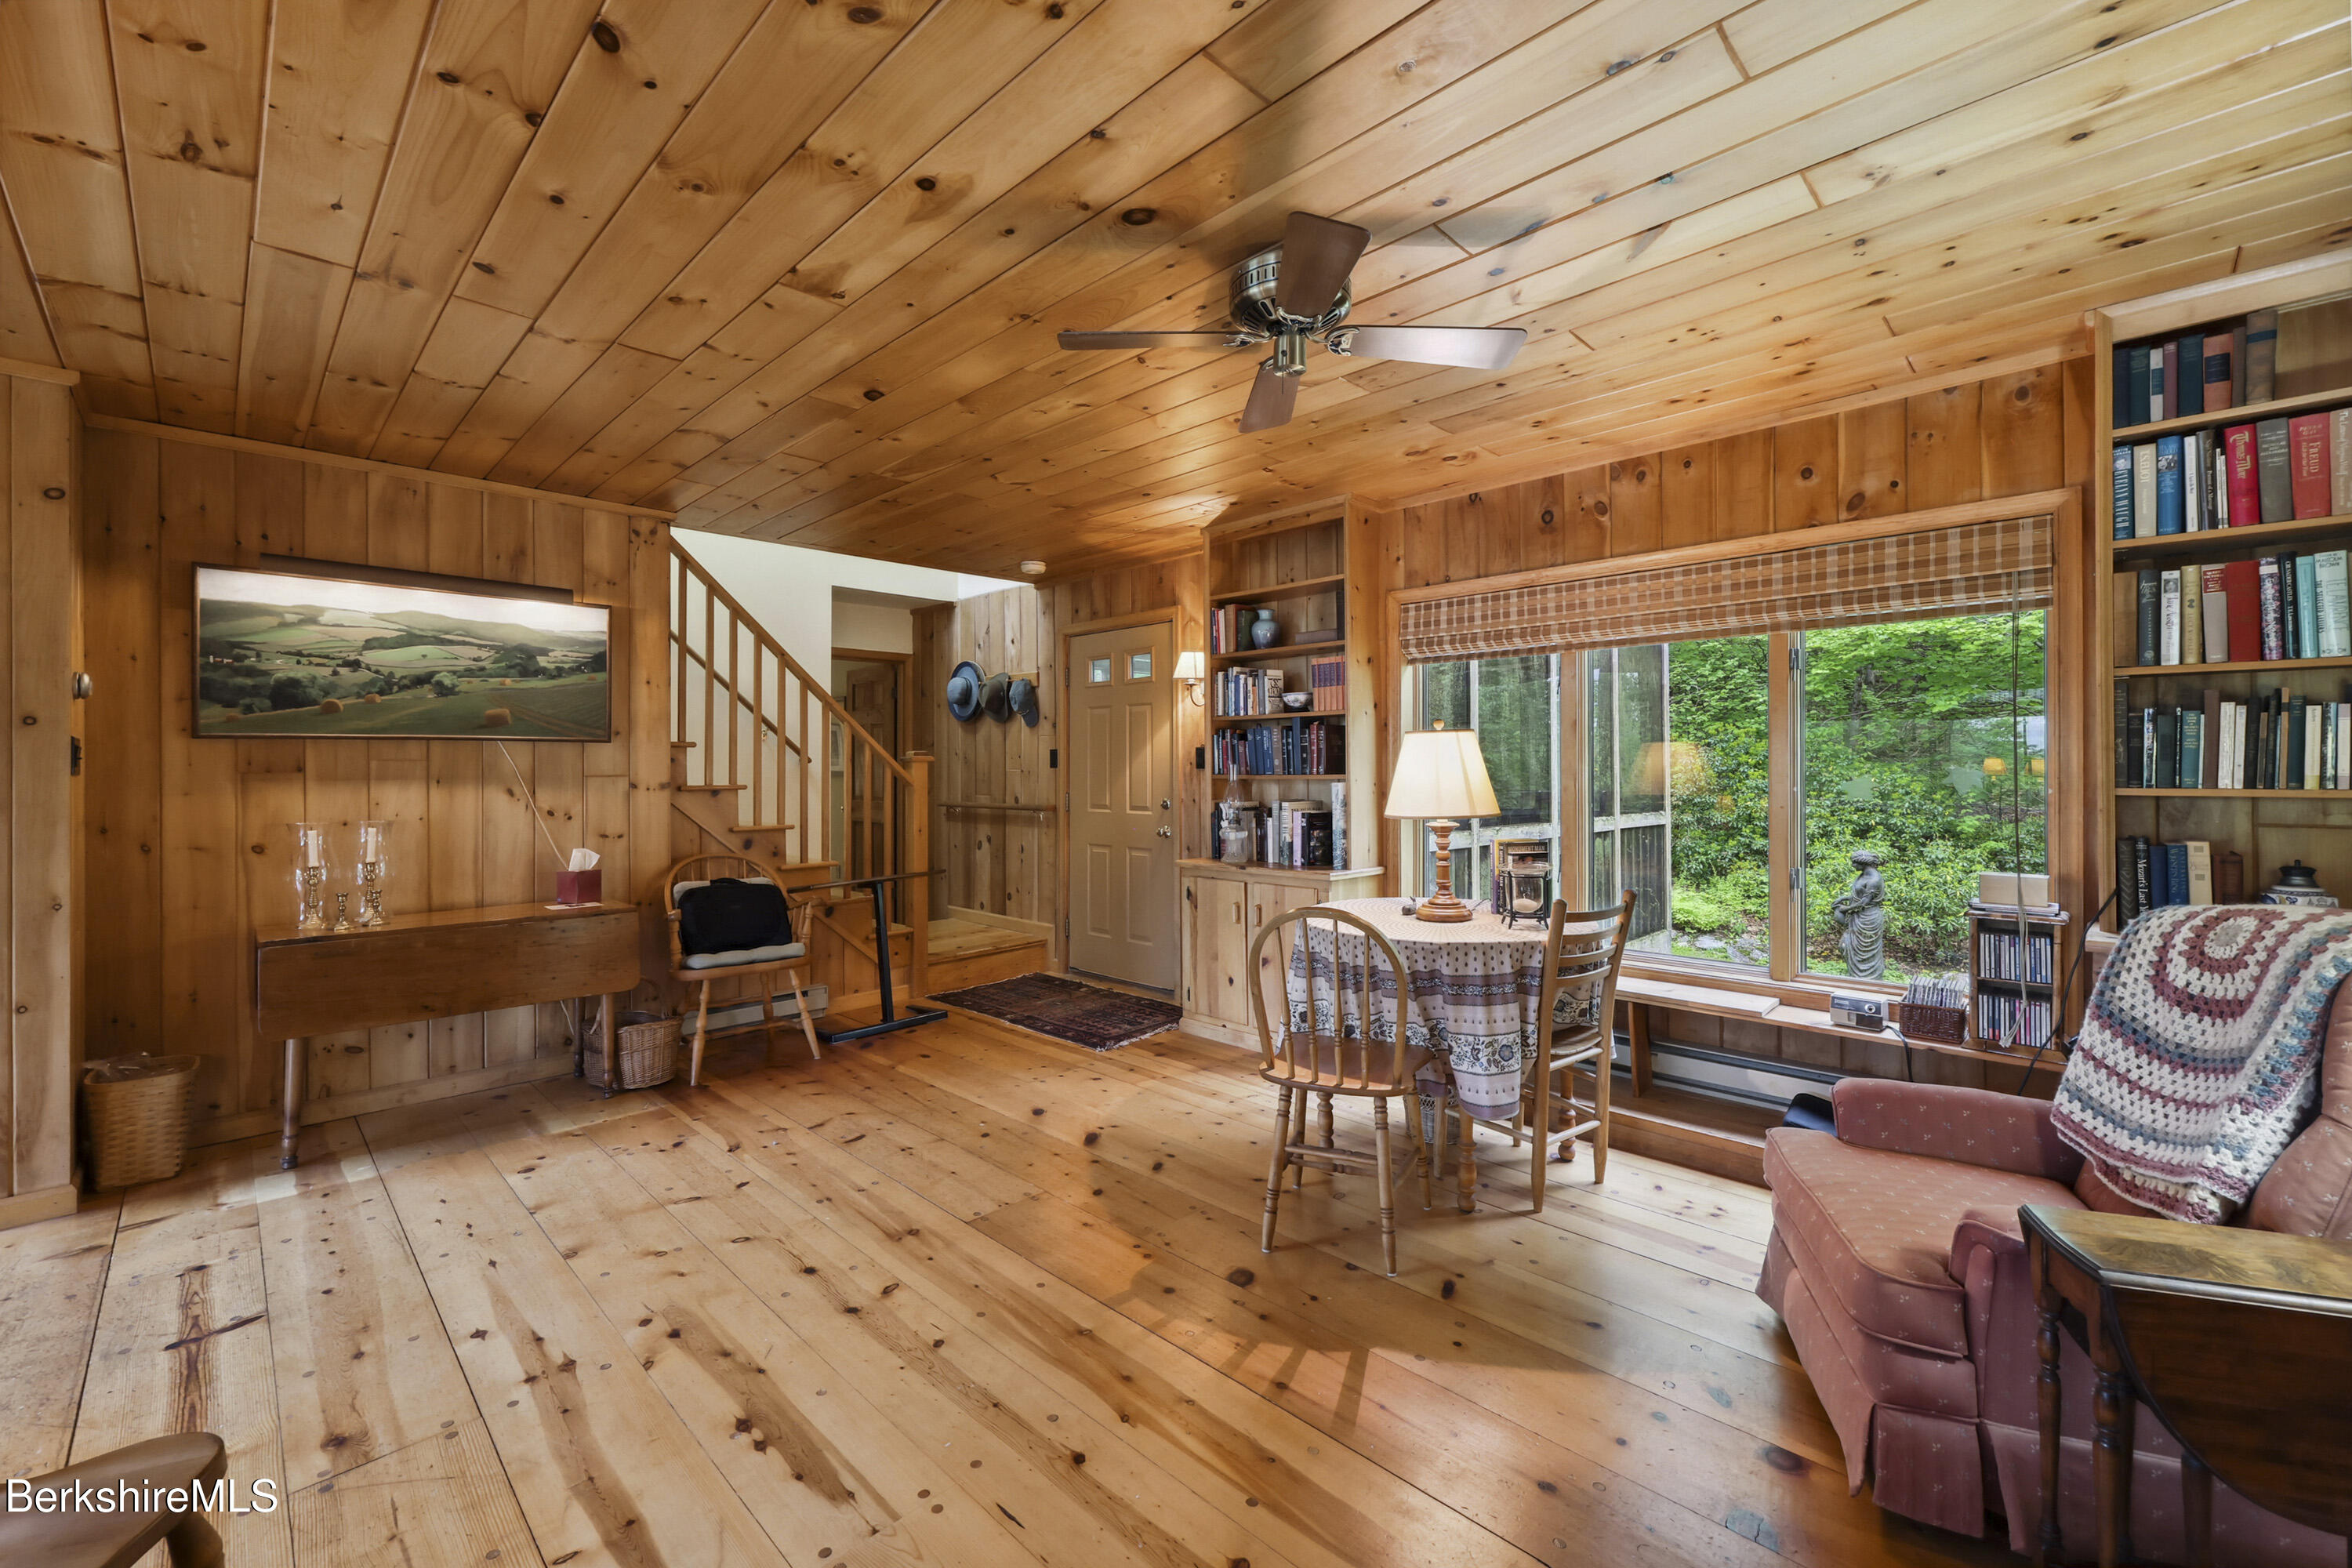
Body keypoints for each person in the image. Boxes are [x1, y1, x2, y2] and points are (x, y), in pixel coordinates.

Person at [1832, 851, 1889, 979]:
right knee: (1846, 946)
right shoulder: (1863, 875)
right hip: (1858, 916)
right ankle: (1855, 976)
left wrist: (1845, 908)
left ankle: (1871, 978)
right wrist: (1844, 898)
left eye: (1855, 863)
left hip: (1869, 919)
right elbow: (1860, 895)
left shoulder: (1874, 880)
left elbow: (1863, 903)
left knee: (1867, 952)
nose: (1852, 865)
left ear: (1863, 863)